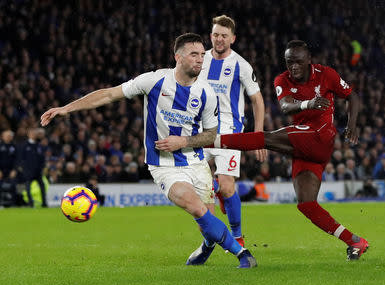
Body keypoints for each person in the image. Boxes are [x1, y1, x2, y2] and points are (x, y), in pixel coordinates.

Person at [40, 33, 256, 268]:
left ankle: (207, 245)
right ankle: (242, 254)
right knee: (195, 206)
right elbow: (110, 93)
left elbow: (210, 135)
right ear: (178, 57)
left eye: (202, 55)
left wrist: (183, 142)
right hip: (163, 166)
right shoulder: (154, 81)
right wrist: (66, 108)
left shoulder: (206, 93)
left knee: (206, 222)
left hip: (196, 162)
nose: (200, 60)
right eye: (194, 54)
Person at [208, 40, 369, 260]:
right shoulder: (282, 79)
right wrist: (308, 104)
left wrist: (351, 125)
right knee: (306, 204)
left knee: (266, 138)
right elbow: (285, 107)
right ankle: (355, 242)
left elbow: (352, 96)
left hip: (321, 136)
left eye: (298, 62)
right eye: (289, 62)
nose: (293, 66)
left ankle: (207, 141)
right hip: (303, 144)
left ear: (308, 60)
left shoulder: (326, 74)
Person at [199, 15, 267, 247]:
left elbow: (257, 100)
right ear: (211, 36)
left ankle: (237, 235)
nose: (219, 39)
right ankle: (210, 241)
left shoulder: (241, 65)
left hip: (229, 132)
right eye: (216, 34)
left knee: (227, 187)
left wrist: (258, 136)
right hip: (199, 131)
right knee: (202, 189)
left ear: (233, 39)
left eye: (224, 36)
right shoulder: (199, 60)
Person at [16, 128, 47, 207]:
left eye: (35, 133)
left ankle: (44, 203)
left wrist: (43, 167)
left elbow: (42, 158)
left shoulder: (39, 145)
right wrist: (23, 169)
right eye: (32, 133)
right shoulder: (24, 146)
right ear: (28, 134)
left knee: (42, 186)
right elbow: (20, 158)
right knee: (27, 187)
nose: (34, 135)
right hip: (28, 171)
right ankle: (30, 203)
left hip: (38, 171)